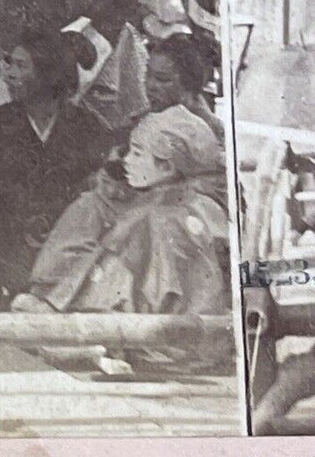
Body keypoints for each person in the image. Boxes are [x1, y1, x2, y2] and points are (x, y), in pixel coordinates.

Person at [0, 26, 111, 310]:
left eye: (21, 66)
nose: (9, 74)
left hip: (66, 252)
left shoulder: (87, 128)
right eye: (10, 64)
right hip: (3, 251)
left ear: (49, 72)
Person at [16, 103, 229, 325]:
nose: (126, 160)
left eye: (137, 153)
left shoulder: (146, 217)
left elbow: (110, 276)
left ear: (167, 167)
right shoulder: (206, 207)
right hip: (199, 318)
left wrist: (57, 301)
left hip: (157, 326)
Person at [144, 32, 222, 139]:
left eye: (162, 79)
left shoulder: (208, 134)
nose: (150, 85)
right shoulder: (147, 116)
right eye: (147, 74)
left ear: (189, 84)